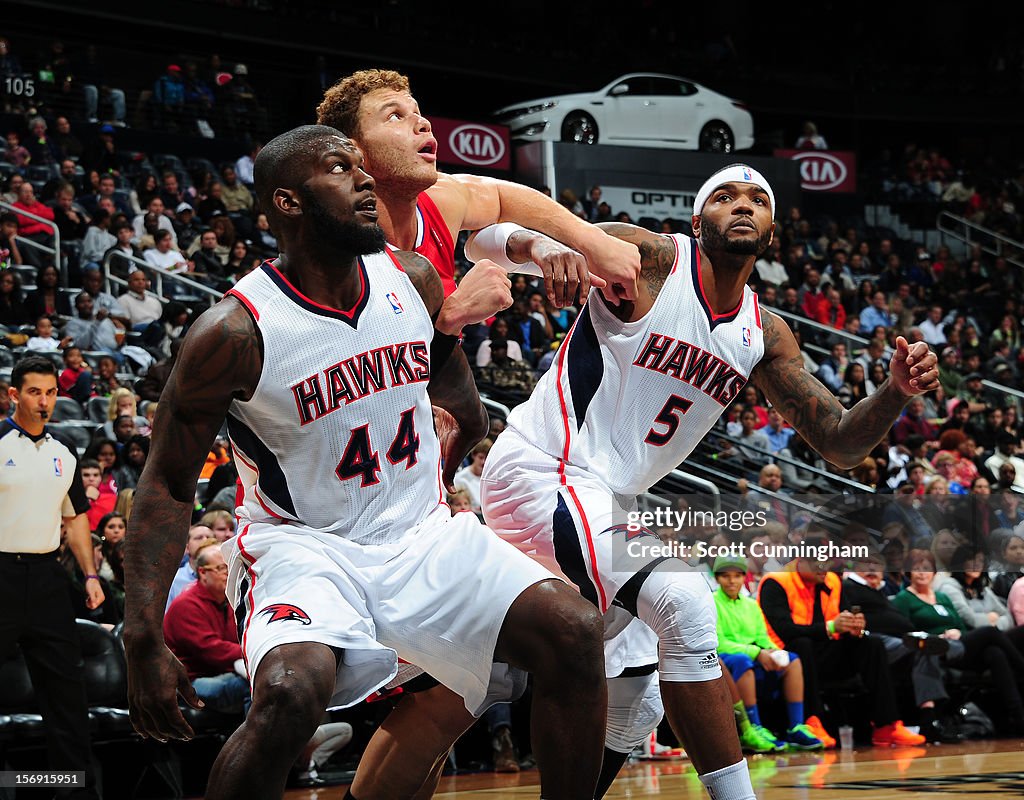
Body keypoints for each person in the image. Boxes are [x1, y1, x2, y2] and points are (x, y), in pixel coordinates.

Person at [122, 125, 607, 800]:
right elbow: (169, 484)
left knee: (575, 631)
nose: (363, 179)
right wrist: (141, 633)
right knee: (292, 692)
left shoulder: (409, 277)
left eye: (360, 164)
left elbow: (453, 386)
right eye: (338, 168)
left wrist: (459, 433)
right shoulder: (232, 333)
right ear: (288, 203)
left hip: (421, 533)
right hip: (307, 546)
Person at [474, 163, 938, 793]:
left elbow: (837, 441)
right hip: (541, 470)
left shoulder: (765, 333)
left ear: (772, 231)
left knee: (637, 700)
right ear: (697, 221)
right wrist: (548, 248)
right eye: (724, 196)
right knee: (685, 600)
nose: (742, 206)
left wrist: (894, 392)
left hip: (600, 498)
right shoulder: (649, 260)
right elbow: (476, 235)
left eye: (757, 200)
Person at [315, 68, 640, 334]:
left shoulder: (437, 202)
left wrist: (590, 242)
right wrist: (450, 319)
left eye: (417, 112)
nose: (423, 123)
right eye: (395, 116)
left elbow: (500, 197)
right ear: (353, 152)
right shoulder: (332, 258)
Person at [0, 356, 104, 798]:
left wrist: (90, 575)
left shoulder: (65, 448)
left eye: (50, 392)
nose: (44, 401)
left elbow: (76, 517)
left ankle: (72, 789)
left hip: (47, 577)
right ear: (13, 395)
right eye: (34, 392)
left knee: (66, 695)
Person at [712, 555, 824, 752]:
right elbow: (719, 643)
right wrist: (757, 653)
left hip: (752, 654)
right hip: (728, 659)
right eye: (726, 576)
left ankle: (796, 727)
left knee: (792, 660)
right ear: (717, 579)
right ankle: (753, 728)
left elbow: (761, 636)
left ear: (743, 578)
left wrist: (774, 651)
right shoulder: (711, 602)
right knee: (741, 661)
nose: (731, 581)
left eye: (737, 576)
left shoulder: (751, 605)